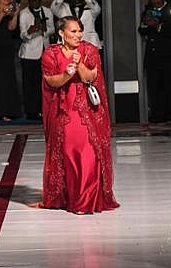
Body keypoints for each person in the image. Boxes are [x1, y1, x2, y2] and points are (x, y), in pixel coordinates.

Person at [40, 16, 120, 214]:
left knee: (89, 152)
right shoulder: (51, 53)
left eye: (79, 31)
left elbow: (91, 76)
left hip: (86, 109)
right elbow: (51, 81)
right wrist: (67, 74)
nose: (78, 35)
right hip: (64, 110)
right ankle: (71, 197)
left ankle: (85, 201)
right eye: (73, 31)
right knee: (68, 152)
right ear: (61, 33)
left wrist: (80, 64)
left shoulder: (89, 50)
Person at [139, 0, 171, 123]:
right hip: (153, 58)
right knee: (154, 88)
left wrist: (158, 26)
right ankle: (158, 115)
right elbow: (141, 29)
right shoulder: (148, 11)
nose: (156, 2)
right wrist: (147, 24)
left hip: (169, 56)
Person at [19, 0, 54, 120]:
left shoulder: (48, 11)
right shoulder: (24, 14)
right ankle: (30, 111)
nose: (35, 2)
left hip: (44, 51)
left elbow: (53, 29)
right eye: (32, 0)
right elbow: (22, 34)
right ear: (28, 0)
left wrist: (45, 29)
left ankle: (43, 109)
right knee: (29, 84)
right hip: (29, 53)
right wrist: (31, 31)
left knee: (44, 83)